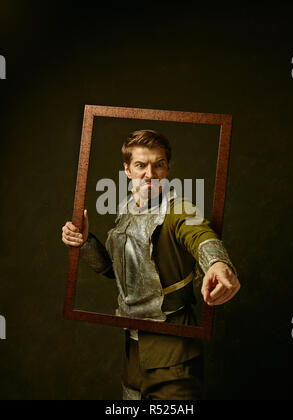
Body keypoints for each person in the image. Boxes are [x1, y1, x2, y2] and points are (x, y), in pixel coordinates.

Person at [62, 129, 240, 400]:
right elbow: (119, 272)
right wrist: (85, 242)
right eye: (141, 165)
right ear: (127, 170)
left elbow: (200, 235)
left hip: (174, 355)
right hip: (133, 350)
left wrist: (217, 263)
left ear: (167, 168)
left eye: (158, 164)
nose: (150, 174)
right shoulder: (126, 210)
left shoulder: (180, 209)